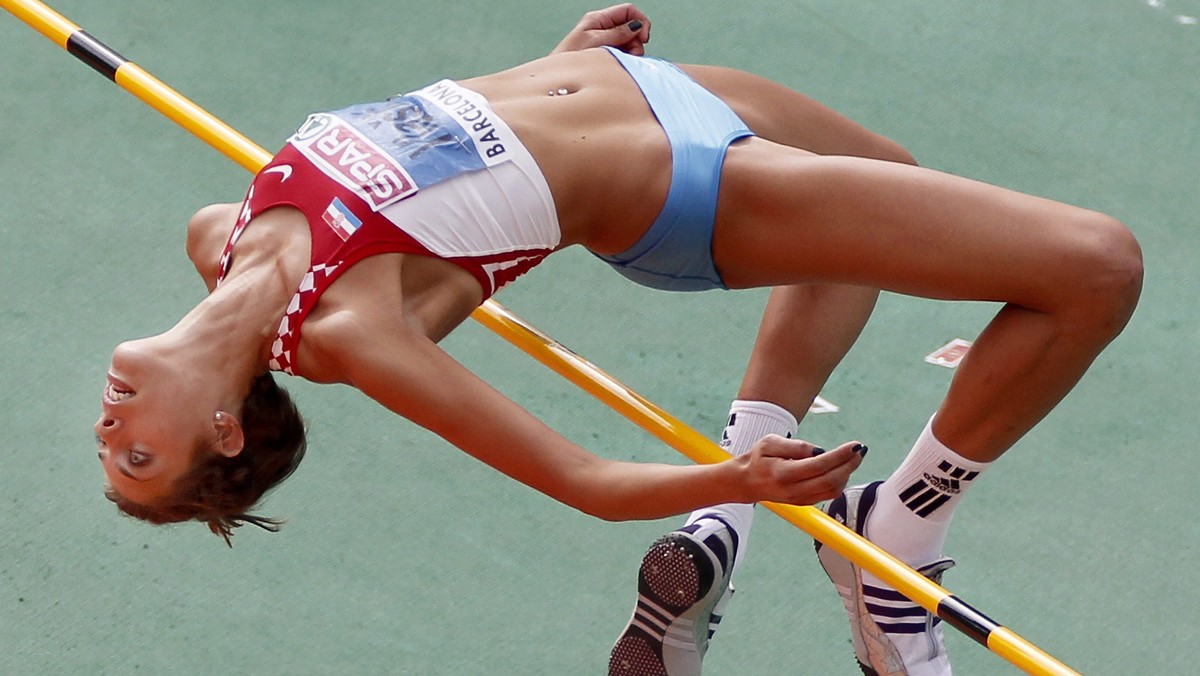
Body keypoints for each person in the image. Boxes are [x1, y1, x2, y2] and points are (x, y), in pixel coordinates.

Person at [90, 4, 1142, 675]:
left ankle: (732, 534)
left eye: (110, 452)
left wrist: (538, 67)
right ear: (225, 432)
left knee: (890, 187)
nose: (108, 429)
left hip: (646, 88)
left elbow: (441, 164)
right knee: (1097, 266)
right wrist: (737, 478)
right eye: (142, 457)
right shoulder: (350, 331)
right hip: (682, 190)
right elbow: (581, 477)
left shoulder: (218, 237)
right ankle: (900, 534)